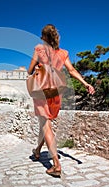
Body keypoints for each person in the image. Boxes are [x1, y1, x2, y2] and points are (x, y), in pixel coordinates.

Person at [27, 24, 95, 177]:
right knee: (46, 125)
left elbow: (29, 70)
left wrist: (37, 67)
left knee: (46, 126)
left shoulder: (39, 49)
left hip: (42, 91)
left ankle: (56, 164)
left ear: (44, 37)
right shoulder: (64, 53)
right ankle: (37, 151)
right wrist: (85, 83)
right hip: (57, 92)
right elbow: (71, 70)